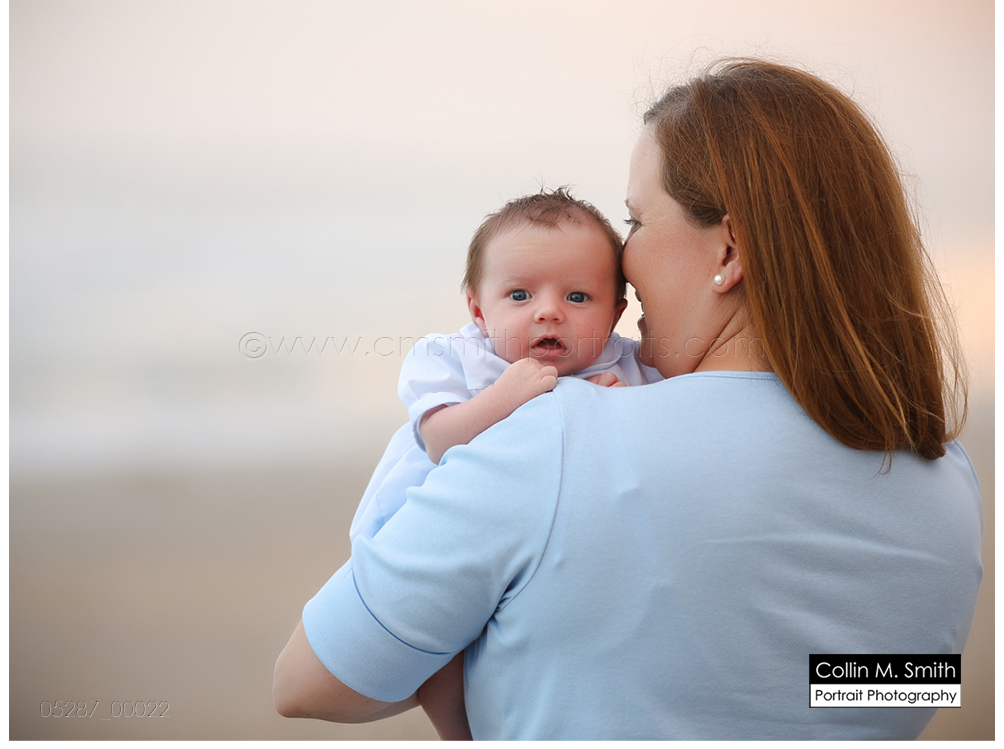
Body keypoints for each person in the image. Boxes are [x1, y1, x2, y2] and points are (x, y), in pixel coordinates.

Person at [273, 59, 983, 739]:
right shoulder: (946, 481)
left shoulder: (557, 435)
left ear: (729, 252)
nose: (622, 261)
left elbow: (309, 680)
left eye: (637, 221)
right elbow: (889, 695)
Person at [349, 189, 661, 738]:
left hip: (552, 552)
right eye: (519, 294)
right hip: (429, 535)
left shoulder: (627, 364)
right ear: (477, 307)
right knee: (442, 661)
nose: (548, 310)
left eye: (579, 297)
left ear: (617, 311)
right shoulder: (451, 358)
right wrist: (504, 399)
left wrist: (613, 402)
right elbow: (441, 440)